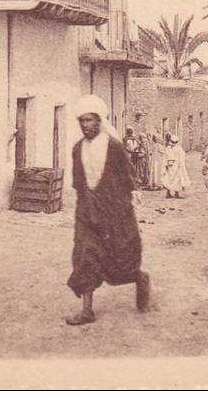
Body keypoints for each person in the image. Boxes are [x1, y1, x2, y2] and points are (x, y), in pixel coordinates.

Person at [66, 95, 150, 326]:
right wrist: (84, 208)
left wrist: (131, 196)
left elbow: (127, 175)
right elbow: (78, 183)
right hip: (87, 213)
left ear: (99, 121)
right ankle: (86, 311)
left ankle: (139, 277)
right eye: (82, 121)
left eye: (90, 120)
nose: (86, 125)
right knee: (85, 258)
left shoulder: (113, 146)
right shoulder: (76, 149)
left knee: (120, 257)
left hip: (114, 211)